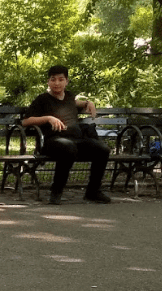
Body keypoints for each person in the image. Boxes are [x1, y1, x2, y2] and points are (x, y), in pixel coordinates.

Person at [21, 64, 111, 205]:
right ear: (48, 81)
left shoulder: (69, 97)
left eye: (61, 79)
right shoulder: (42, 99)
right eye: (53, 79)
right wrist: (48, 118)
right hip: (52, 141)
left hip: (76, 140)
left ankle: (93, 191)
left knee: (102, 149)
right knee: (68, 148)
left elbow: (75, 103)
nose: (57, 83)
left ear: (66, 81)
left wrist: (88, 103)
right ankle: (56, 191)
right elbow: (25, 121)